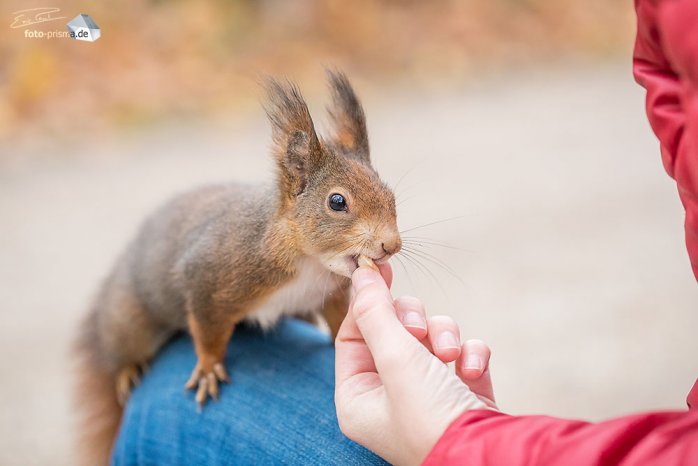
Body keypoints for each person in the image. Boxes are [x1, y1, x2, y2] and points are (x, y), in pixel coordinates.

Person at [114, 0, 698, 463]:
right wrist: (210, 355)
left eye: (388, 216)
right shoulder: (256, 253)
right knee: (145, 365)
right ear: (297, 191)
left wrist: (451, 428)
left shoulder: (333, 266)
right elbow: (200, 284)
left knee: (159, 415)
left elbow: (335, 304)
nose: (391, 242)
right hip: (165, 311)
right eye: (343, 207)